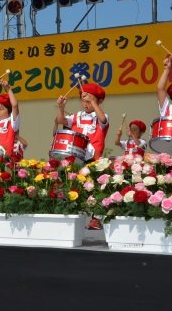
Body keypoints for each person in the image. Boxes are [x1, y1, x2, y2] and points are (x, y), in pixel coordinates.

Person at [57, 82, 109, 231]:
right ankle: (71, 216)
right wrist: (61, 107)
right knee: (73, 186)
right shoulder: (76, 116)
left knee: (94, 188)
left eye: (90, 100)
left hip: (93, 157)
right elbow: (61, 120)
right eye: (83, 100)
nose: (86, 104)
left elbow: (103, 120)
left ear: (99, 101)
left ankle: (95, 218)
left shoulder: (101, 116)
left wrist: (93, 102)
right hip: (76, 157)